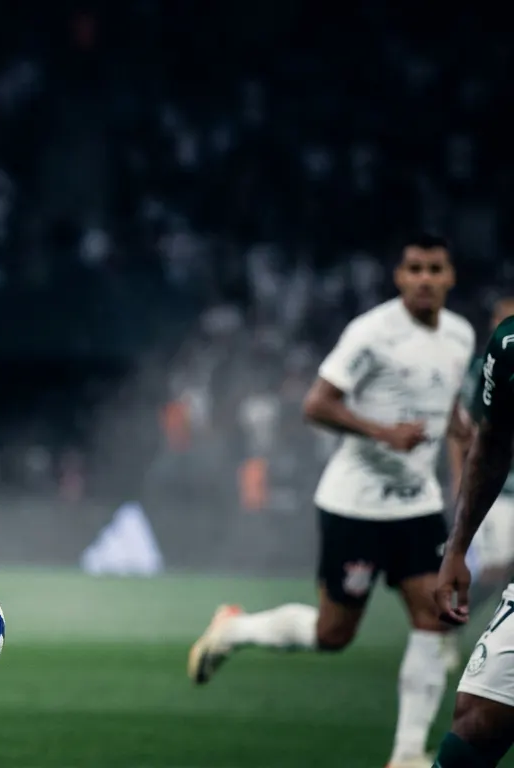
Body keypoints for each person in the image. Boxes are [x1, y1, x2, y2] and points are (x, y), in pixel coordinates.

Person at [187, 234, 475, 768]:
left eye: (436, 269)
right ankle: (236, 628)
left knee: (434, 618)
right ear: (400, 276)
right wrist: (382, 433)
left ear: (450, 277)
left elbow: (448, 404)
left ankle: (407, 754)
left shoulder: (459, 335)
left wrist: (463, 433)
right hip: (355, 507)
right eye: (415, 269)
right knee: (334, 633)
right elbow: (316, 404)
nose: (426, 279)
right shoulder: (371, 334)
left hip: (417, 506)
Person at [429, 308, 514, 766]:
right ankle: (445, 632)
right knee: (477, 717)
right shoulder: (508, 347)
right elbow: (491, 441)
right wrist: (457, 548)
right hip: (506, 500)